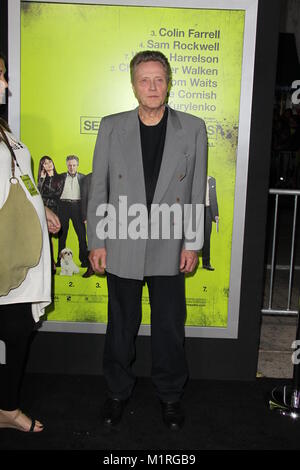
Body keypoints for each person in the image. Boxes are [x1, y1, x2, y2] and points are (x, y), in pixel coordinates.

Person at [87, 50, 207, 431]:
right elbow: (99, 188)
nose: (152, 87)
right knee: (121, 324)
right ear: (134, 84)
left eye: (159, 79)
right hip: (123, 237)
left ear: (168, 82)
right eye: (145, 80)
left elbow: (195, 193)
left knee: (170, 325)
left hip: (170, 243)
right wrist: (97, 240)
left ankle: (170, 396)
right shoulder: (111, 126)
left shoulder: (193, 127)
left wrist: (193, 243)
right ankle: (117, 392)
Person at [0, 53, 60, 432]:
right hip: (6, 257)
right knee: (16, 330)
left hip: (17, 257)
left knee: (17, 330)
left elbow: (21, 178)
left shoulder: (4, 130)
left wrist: (44, 210)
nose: (5, 85)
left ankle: (6, 408)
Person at [57, 155, 89, 267]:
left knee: (81, 236)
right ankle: (59, 261)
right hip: (63, 207)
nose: (71, 167)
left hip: (77, 207)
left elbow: (87, 196)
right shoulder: (60, 177)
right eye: (69, 165)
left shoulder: (83, 178)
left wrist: (86, 214)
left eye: (74, 165)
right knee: (62, 236)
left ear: (77, 165)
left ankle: (84, 261)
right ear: (66, 165)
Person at [202, 176, 219, 271]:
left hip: (208, 210)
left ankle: (206, 263)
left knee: (207, 237)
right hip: (196, 209)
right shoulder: (196, 177)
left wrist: (216, 214)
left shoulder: (212, 180)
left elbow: (214, 197)